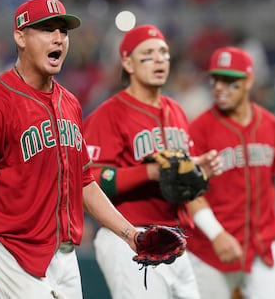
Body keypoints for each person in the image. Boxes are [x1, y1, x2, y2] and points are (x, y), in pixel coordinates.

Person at [0, 0, 141, 299]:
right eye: (46, 29)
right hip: (12, 254)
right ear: (20, 36)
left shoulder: (71, 104)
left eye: (63, 31)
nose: (58, 38)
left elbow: (85, 183)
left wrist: (131, 234)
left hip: (64, 257)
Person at [83, 24, 222, 299]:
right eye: (148, 54)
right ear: (127, 62)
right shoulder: (109, 114)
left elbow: (177, 176)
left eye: (163, 53)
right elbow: (90, 181)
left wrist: (197, 169)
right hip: (130, 238)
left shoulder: (176, 111)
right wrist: (148, 172)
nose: (159, 59)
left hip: (175, 238)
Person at [186, 46, 275, 299]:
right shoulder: (199, 128)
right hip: (210, 249)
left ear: (249, 80)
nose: (220, 87)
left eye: (229, 80)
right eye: (216, 79)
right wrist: (216, 234)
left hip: (261, 247)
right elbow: (189, 192)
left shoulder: (269, 124)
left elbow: (270, 181)